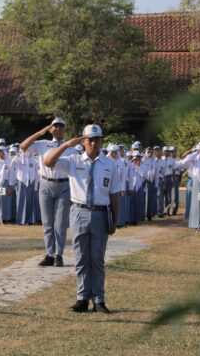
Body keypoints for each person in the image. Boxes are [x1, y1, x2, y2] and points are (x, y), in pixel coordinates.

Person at [44, 124, 120, 313]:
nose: (94, 143)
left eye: (97, 140)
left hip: (101, 213)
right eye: (90, 140)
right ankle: (82, 298)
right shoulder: (73, 160)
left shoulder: (110, 164)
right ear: (83, 141)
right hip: (78, 211)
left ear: (102, 142)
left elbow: (115, 194)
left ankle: (99, 300)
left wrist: (114, 220)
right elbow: (48, 162)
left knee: (97, 259)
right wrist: (67, 144)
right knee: (81, 258)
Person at [20, 118, 75, 267]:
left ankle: (59, 254)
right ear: (50, 129)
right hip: (45, 184)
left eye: (61, 126)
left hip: (64, 185)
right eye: (54, 126)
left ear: (65, 130)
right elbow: (23, 146)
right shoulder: (43, 144)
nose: (57, 129)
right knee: (47, 222)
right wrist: (39, 132)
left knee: (60, 223)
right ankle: (49, 253)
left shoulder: (70, 147)